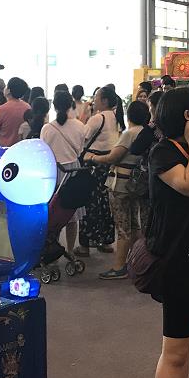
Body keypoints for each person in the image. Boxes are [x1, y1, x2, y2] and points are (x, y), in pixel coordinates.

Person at [149, 86, 189, 378]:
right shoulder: (163, 152)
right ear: (188, 116)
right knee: (175, 351)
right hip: (176, 262)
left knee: (186, 343)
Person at [84, 101, 157, 279]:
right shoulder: (147, 132)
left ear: (129, 115)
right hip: (136, 184)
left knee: (123, 228)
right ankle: (136, 260)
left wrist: (92, 157)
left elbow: (112, 157)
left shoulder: (129, 134)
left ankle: (119, 267)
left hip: (120, 184)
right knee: (134, 225)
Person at [76, 85, 120, 258]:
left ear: (105, 101)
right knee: (105, 203)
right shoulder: (116, 116)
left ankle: (85, 245)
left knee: (89, 203)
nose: (94, 100)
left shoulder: (97, 118)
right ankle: (105, 241)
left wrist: (84, 115)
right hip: (108, 164)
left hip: (92, 164)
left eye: (96, 97)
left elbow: (81, 136)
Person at [41, 91, 86, 256]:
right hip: (73, 171)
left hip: (53, 172)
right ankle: (71, 250)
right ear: (70, 105)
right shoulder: (80, 126)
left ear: (54, 106)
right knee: (71, 214)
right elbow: (80, 149)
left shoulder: (47, 128)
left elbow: (44, 151)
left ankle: (50, 249)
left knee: (52, 213)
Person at [0, 77, 30, 147]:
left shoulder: (0, 109)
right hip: (21, 147)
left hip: (3, 148)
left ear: (8, 91)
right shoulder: (27, 107)